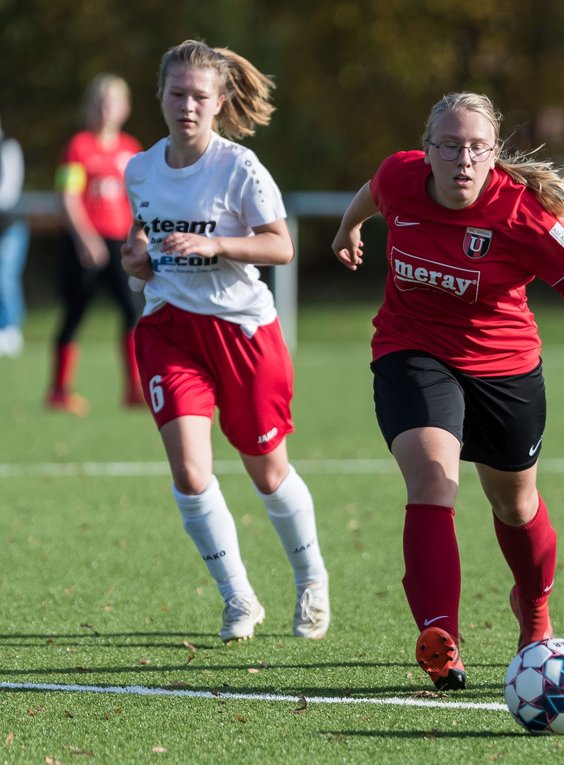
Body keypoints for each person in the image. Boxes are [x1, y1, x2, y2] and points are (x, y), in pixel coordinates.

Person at [331, 91, 564, 690]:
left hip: (504, 369)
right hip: (413, 352)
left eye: (477, 148)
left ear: (494, 155)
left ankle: (534, 610)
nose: (463, 159)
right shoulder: (399, 176)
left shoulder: (521, 216)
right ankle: (441, 638)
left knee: (515, 505)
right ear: (427, 149)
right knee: (432, 478)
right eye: (450, 146)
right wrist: (348, 227)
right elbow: (372, 192)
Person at [120, 39, 330, 643]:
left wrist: (217, 245)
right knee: (190, 472)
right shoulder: (140, 168)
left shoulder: (239, 168)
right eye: (177, 93)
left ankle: (311, 577)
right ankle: (239, 598)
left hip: (242, 332)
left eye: (199, 96)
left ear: (218, 103)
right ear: (160, 96)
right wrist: (136, 258)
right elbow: (142, 235)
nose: (187, 105)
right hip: (169, 330)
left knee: (268, 474)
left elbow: (281, 247)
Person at [48, 75, 144, 412]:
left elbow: (141, 201)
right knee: (74, 312)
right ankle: (59, 390)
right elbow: (68, 196)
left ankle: (134, 388)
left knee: (133, 311)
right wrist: (85, 238)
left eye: (113, 102)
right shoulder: (78, 147)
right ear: (88, 107)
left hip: (122, 244)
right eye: (99, 103)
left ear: (125, 108)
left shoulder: (132, 150)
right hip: (84, 244)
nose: (105, 110)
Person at [0, 112, 27, 357]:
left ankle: (11, 331)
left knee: (5, 279)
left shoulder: (8, 146)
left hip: (8, 226)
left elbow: (8, 192)